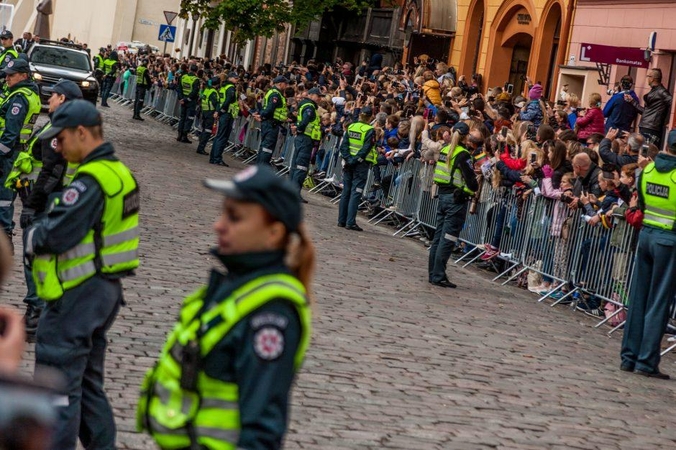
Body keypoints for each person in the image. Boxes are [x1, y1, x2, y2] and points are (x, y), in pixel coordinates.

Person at [137, 164, 314, 450]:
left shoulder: (272, 312)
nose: (218, 225)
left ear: (273, 233)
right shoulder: (241, 284)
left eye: (234, 217)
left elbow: (260, 430)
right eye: (223, 213)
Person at [25, 100, 140, 449]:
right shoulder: (119, 171)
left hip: (77, 292)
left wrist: (32, 234)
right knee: (88, 385)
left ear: (82, 133)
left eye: (60, 138)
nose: (57, 146)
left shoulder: (92, 180)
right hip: (102, 290)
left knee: (57, 384)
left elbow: (57, 235)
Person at [4, 79, 82, 336]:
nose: (49, 100)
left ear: (63, 99)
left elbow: (52, 171)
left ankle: (37, 311)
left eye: (54, 96)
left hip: (47, 203)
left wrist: (32, 206)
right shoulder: (64, 125)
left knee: (35, 257)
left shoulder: (59, 128)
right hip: (50, 200)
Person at [619, 129, 676, 379]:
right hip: (669, 240)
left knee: (638, 298)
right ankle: (646, 361)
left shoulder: (647, 171)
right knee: (658, 302)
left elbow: (640, 204)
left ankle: (628, 357)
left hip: (646, 236)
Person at [427, 122, 479, 288]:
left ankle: (433, 273)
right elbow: (471, 182)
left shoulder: (444, 149)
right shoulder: (462, 154)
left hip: (443, 195)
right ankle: (439, 275)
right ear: (466, 137)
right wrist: (470, 189)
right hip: (456, 199)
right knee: (447, 238)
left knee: (438, 237)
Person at [0, 59, 41, 252]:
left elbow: (10, 133)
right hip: (15, 151)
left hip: (8, 153)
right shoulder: (26, 92)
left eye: (11, 75)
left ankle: (4, 237)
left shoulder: (20, 98)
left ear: (24, 75)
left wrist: (1, 155)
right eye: (6, 74)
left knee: (4, 195)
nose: (7, 78)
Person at [338, 106, 377, 231]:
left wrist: (349, 159)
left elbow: (343, 146)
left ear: (360, 115)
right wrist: (355, 160)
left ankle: (341, 220)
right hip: (360, 165)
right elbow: (366, 149)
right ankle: (350, 222)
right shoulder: (370, 130)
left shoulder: (351, 126)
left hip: (349, 163)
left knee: (346, 192)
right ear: (370, 117)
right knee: (356, 193)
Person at [625, 68, 673, 149]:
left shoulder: (661, 91)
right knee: (642, 151)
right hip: (647, 127)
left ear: (652, 78)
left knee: (646, 152)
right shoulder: (655, 91)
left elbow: (672, 101)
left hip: (652, 128)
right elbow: (646, 112)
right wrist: (632, 101)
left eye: (648, 76)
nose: (647, 79)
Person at [290, 87, 321, 201]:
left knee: (295, 165)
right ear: (311, 95)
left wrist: (297, 129)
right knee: (301, 167)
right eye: (318, 95)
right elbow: (305, 121)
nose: (319, 98)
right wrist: (299, 129)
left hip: (302, 138)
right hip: (305, 139)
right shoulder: (309, 106)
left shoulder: (304, 105)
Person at [254, 76, 288, 165]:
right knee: (267, 148)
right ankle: (262, 170)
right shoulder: (276, 94)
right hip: (271, 124)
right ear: (280, 84)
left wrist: (261, 116)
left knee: (264, 147)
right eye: (285, 83)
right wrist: (262, 116)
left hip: (269, 123)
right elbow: (270, 109)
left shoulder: (273, 92)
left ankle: (259, 169)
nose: (286, 85)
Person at [210, 72, 239, 165]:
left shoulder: (223, 87)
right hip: (227, 114)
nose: (237, 79)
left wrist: (218, 111)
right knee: (222, 137)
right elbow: (227, 101)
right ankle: (217, 158)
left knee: (219, 136)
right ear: (230, 78)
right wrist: (221, 111)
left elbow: (220, 101)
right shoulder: (230, 88)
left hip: (224, 114)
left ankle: (213, 157)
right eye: (235, 78)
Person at [196, 77, 221, 158]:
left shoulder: (207, 89)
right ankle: (201, 148)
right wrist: (217, 111)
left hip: (204, 111)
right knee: (207, 131)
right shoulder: (214, 92)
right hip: (210, 113)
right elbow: (216, 103)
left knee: (204, 130)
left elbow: (201, 96)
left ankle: (200, 146)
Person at [176, 64, 200, 143]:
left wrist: (181, 98)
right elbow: (194, 92)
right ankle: (184, 136)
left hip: (183, 100)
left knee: (182, 117)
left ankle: (179, 134)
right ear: (196, 71)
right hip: (190, 102)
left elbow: (179, 88)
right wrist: (186, 99)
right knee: (189, 119)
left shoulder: (183, 77)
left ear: (189, 69)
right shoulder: (196, 79)